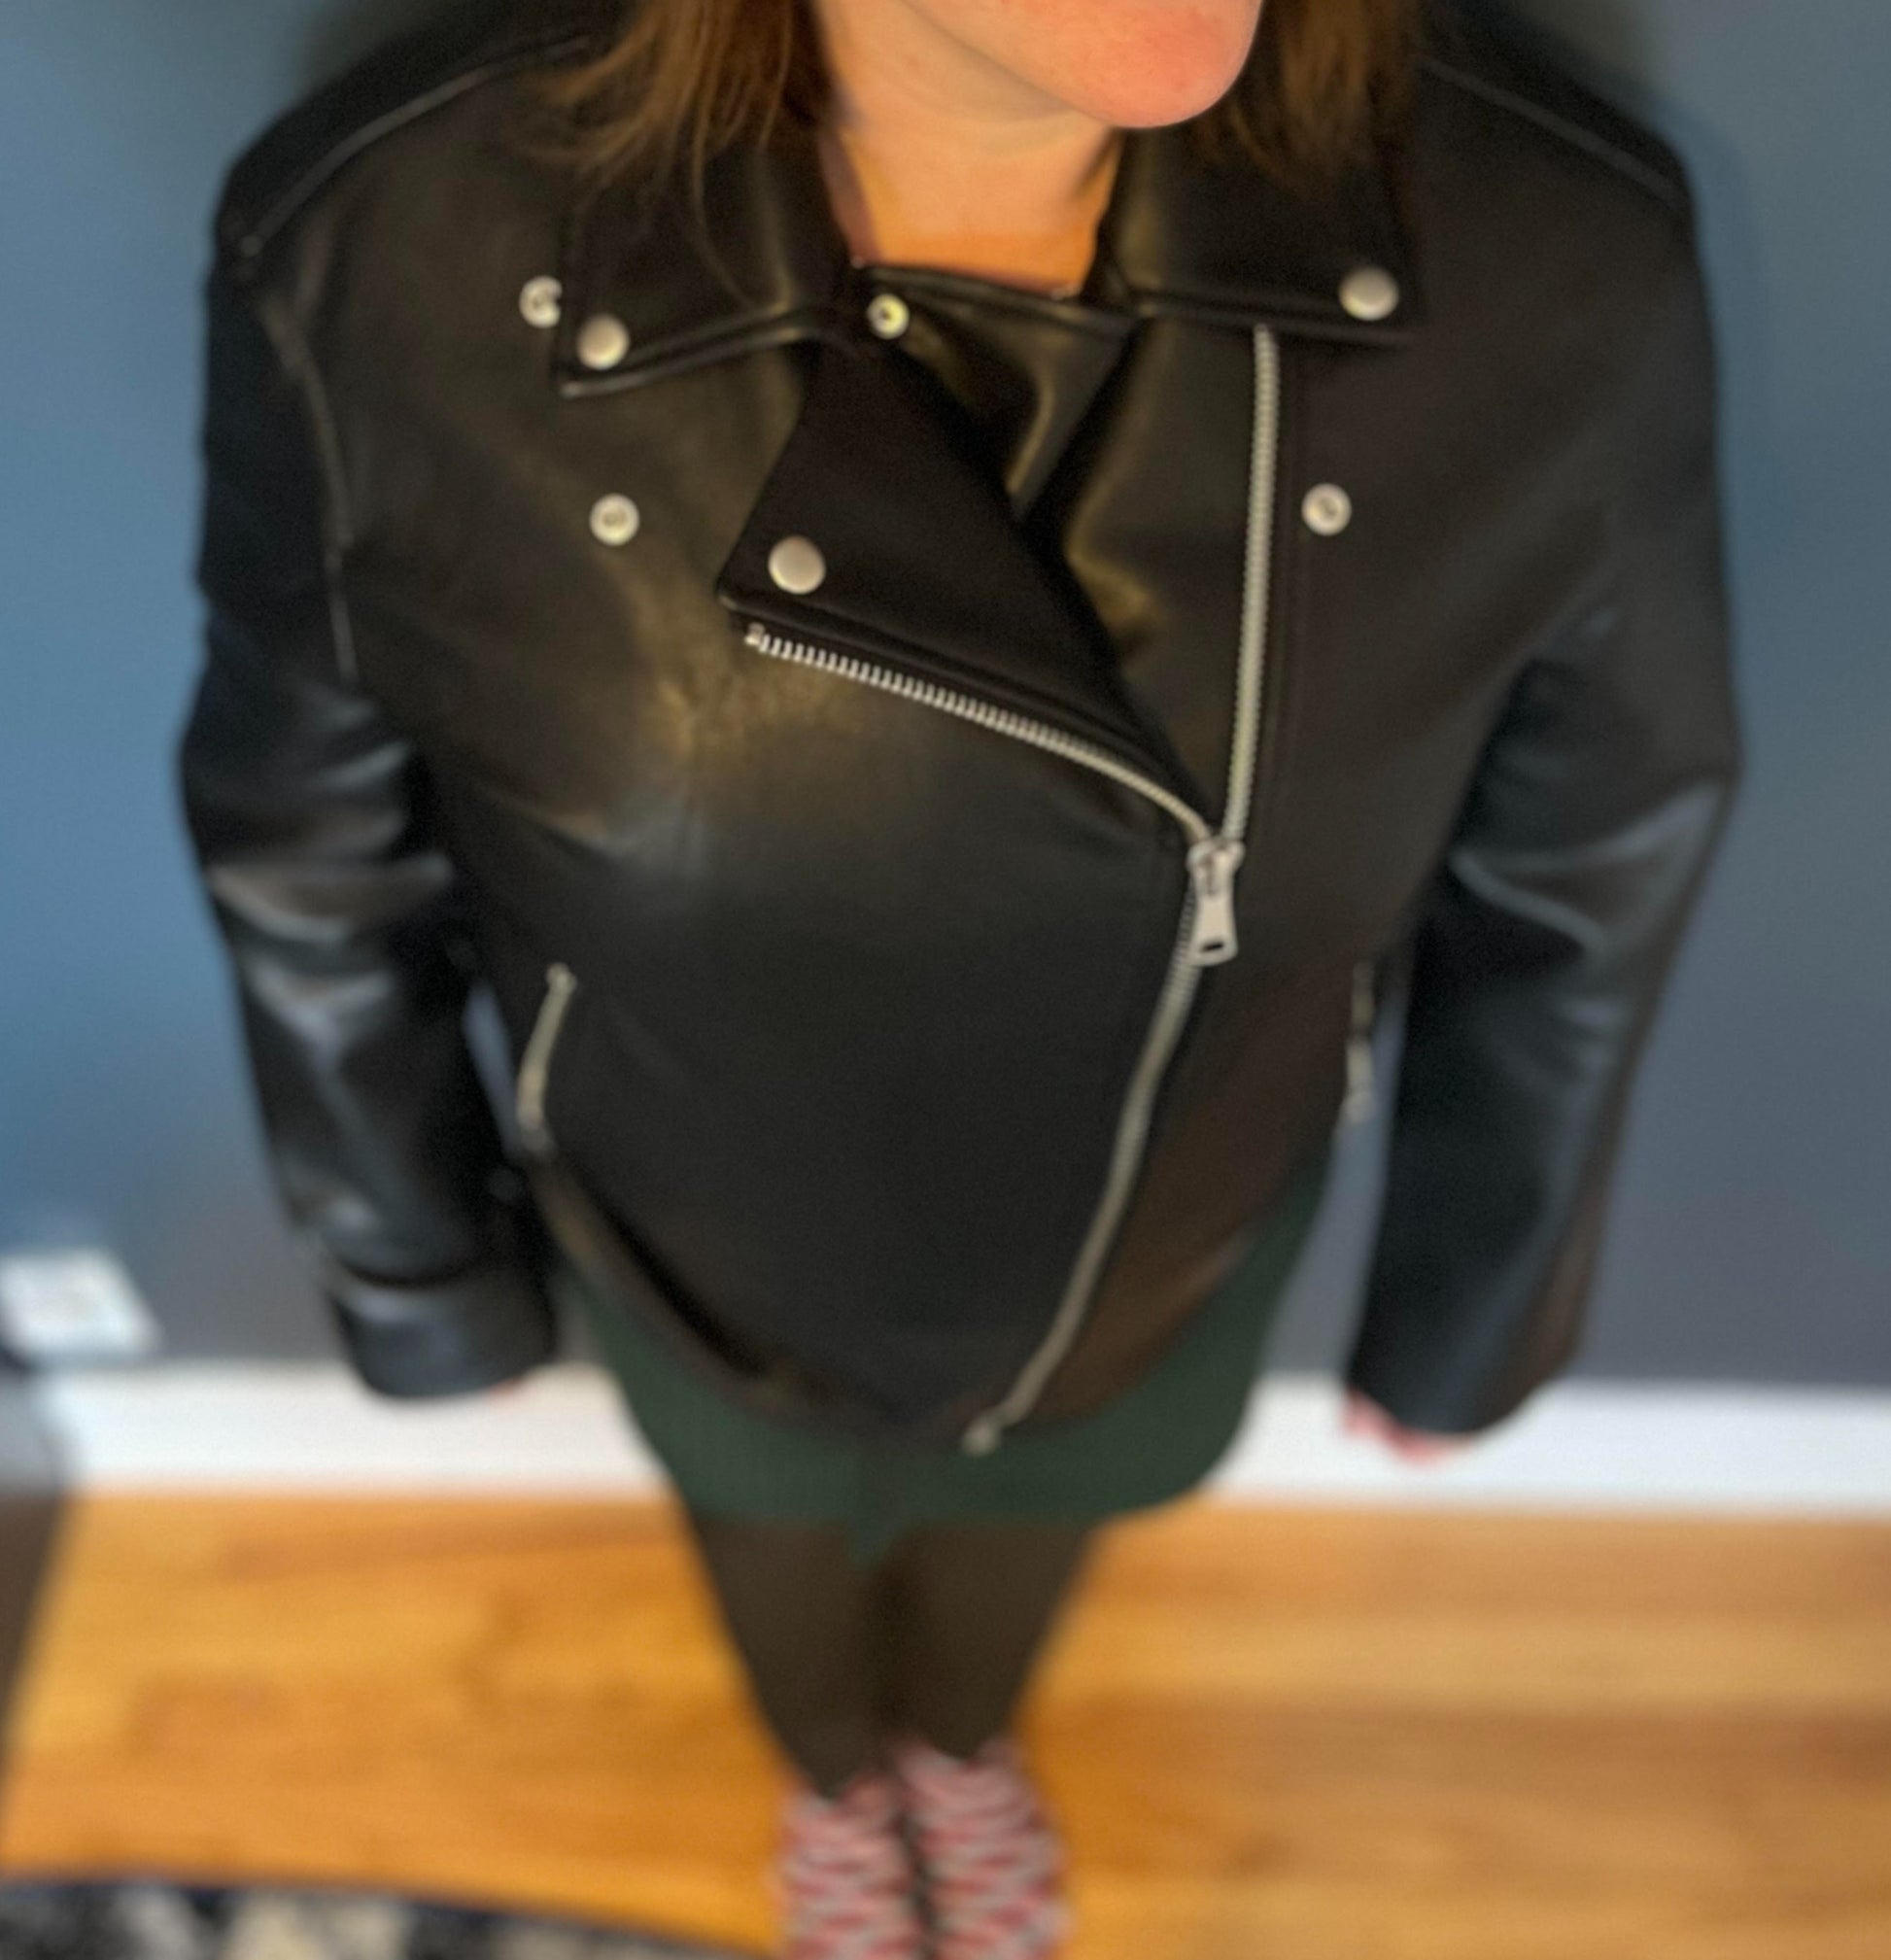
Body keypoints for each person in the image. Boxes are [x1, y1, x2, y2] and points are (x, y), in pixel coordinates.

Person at [174, 0, 1743, 1953]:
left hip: (1158, 1239)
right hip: (697, 1254)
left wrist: (1472, 1298)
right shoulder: (378, 247)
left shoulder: (1548, 253)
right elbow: (306, 839)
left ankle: (956, 1751)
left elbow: (1585, 853)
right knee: (775, 1582)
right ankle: (835, 1775)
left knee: (1014, 1574)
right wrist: (413, 1270)